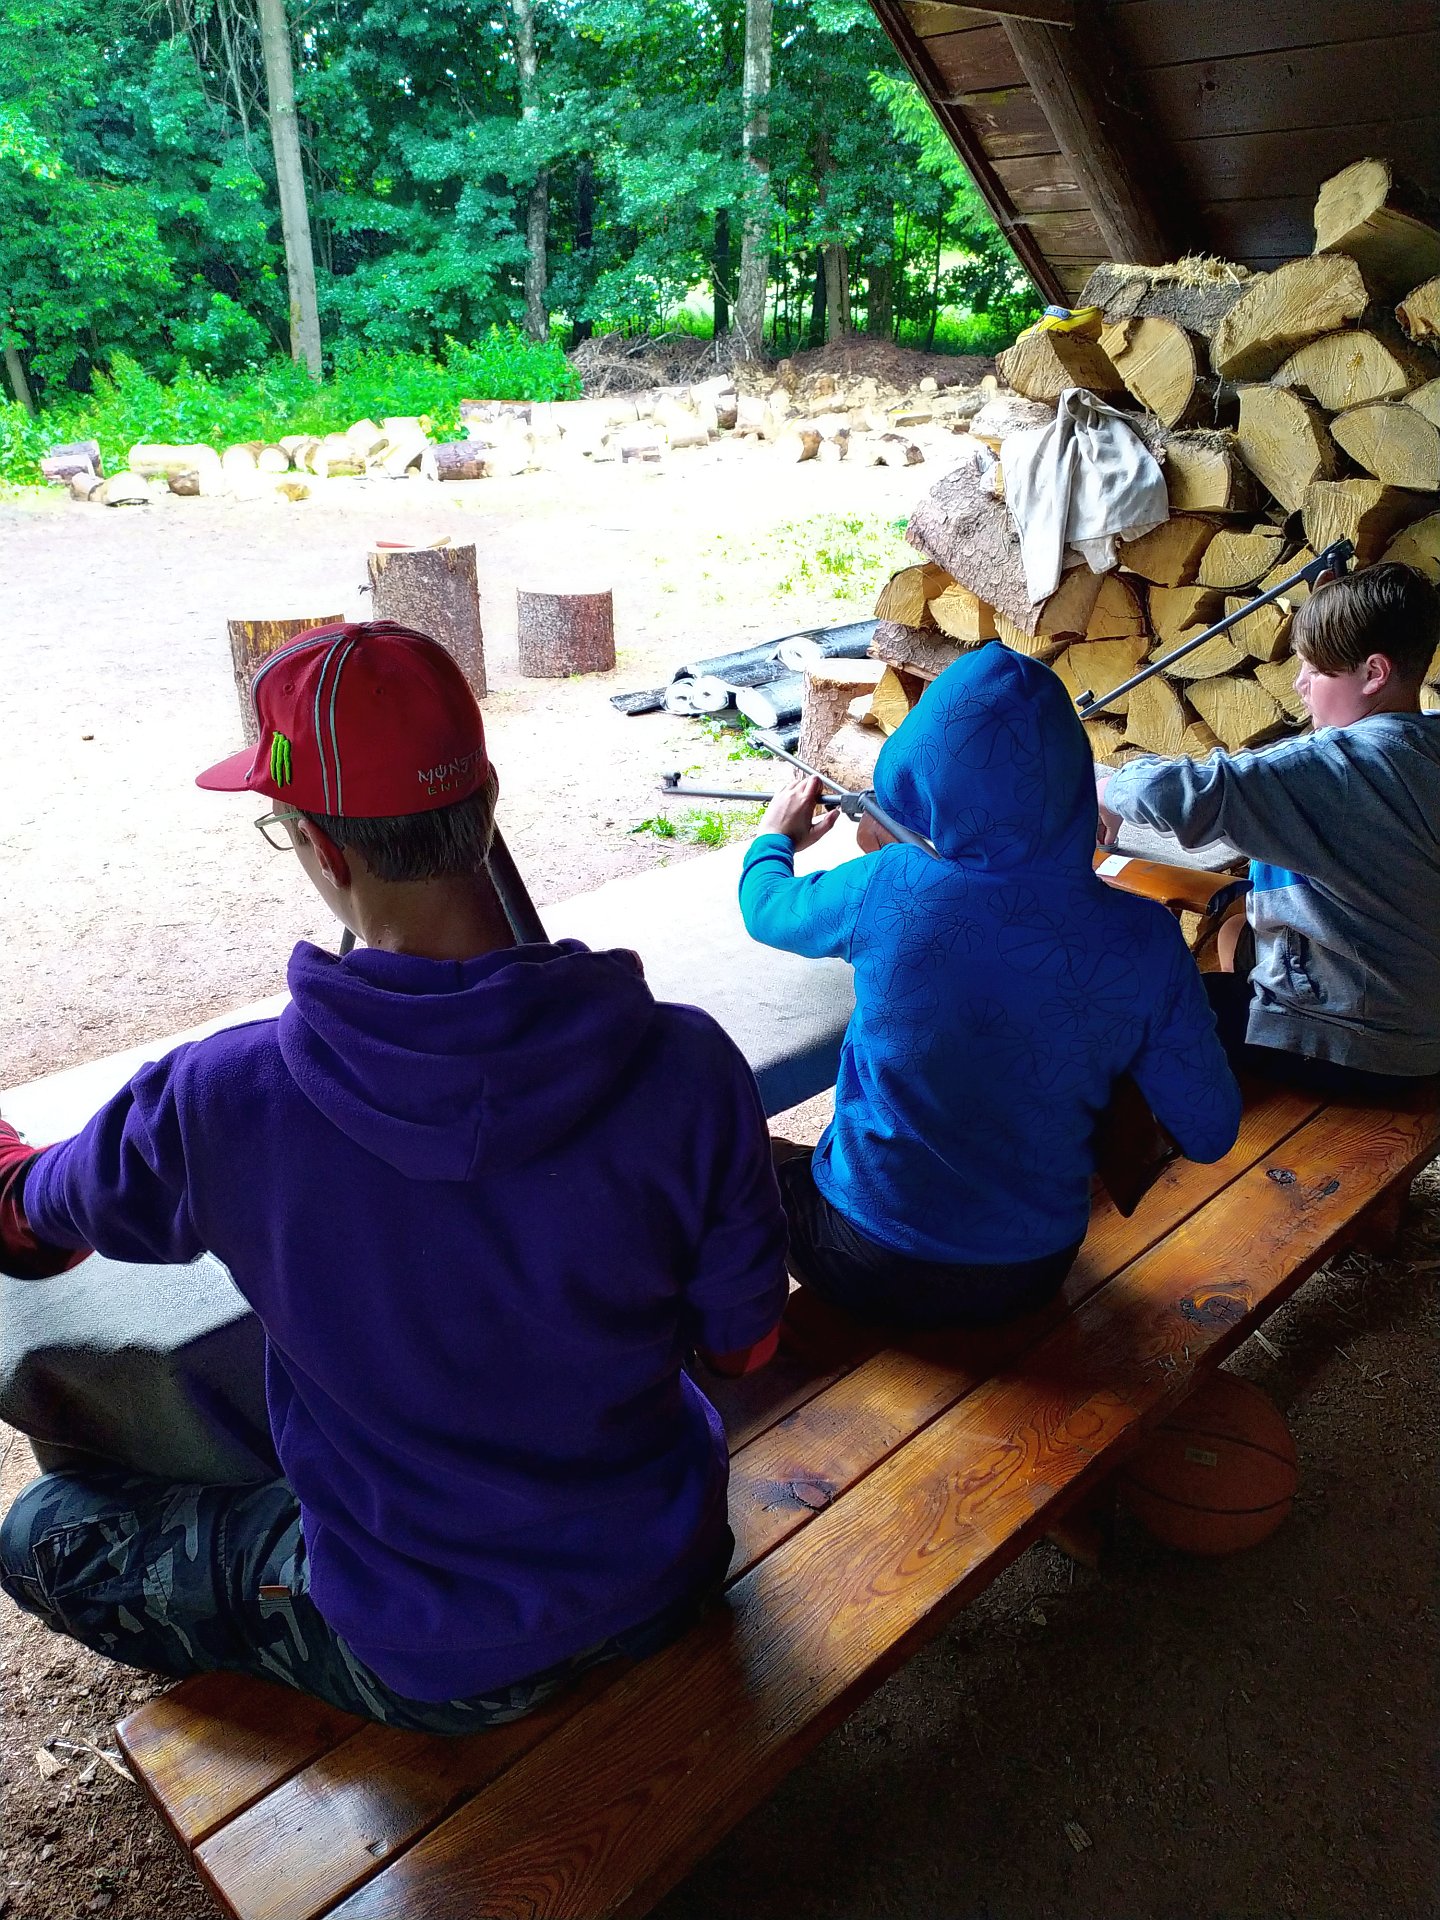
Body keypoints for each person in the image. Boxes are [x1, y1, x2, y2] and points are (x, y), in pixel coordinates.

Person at [0, 620, 788, 1733]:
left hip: (434, 1649)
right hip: (668, 1566)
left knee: (45, 1533)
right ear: (487, 803)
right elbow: (744, 1348)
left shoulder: (219, 1099)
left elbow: (29, 1229)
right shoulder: (689, 1063)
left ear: (324, 852)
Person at [739, 642, 1241, 1332]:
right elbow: (1210, 1133)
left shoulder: (889, 886)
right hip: (1029, 1272)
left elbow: (766, 909)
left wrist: (773, 837)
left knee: (737, 1153)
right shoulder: (1147, 937)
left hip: (865, 1256)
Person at [1097, 562, 1440, 1102]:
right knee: (1234, 934)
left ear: (1374, 673)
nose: (1300, 685)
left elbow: (1172, 793)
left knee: (1124, 1011)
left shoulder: (1338, 768)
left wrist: (1103, 787)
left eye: (1315, 670)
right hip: (1420, 1019)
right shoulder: (1425, 742)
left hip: (1358, 1043)